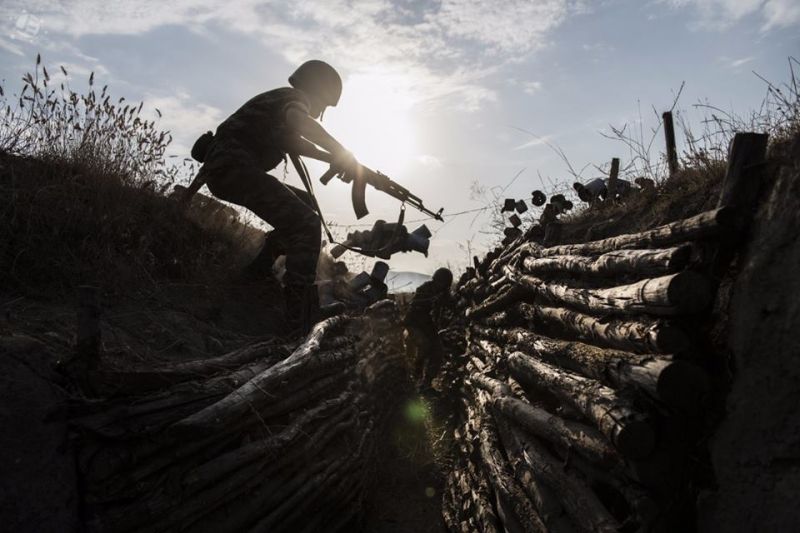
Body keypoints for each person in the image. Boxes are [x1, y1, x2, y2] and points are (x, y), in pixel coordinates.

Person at [181, 60, 358, 334]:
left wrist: (334, 160)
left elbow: (294, 141)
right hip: (233, 169)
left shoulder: (278, 101)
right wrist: (341, 152)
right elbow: (299, 122)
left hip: (227, 170)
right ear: (316, 91)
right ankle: (299, 318)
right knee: (307, 224)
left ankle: (257, 273)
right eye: (323, 104)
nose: (320, 112)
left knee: (306, 205)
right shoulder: (293, 99)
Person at [404, 268, 453, 390]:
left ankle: (426, 383)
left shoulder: (443, 292)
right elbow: (416, 306)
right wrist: (432, 301)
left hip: (427, 325)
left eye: (443, 283)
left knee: (437, 352)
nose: (441, 285)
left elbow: (451, 303)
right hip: (414, 323)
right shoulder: (425, 289)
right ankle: (415, 378)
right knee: (423, 346)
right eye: (440, 282)